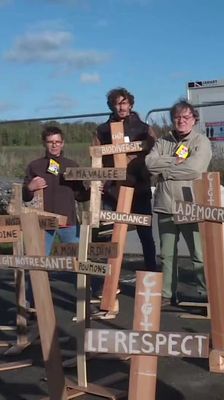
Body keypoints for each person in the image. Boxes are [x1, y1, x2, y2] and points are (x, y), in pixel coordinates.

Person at [145, 100, 212, 305]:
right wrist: (175, 161)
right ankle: (167, 294)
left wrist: (164, 169)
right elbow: (149, 163)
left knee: (199, 255)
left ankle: (206, 295)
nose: (181, 121)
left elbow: (195, 169)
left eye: (186, 117)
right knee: (167, 255)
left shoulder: (201, 141)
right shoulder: (163, 141)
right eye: (177, 117)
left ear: (194, 120)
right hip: (165, 205)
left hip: (190, 205)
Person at [23, 126, 90, 305]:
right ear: (45, 143)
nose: (54, 145)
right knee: (37, 263)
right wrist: (29, 188)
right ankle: (33, 303)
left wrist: (93, 191)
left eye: (57, 142)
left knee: (79, 261)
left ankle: (84, 302)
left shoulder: (71, 166)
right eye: (50, 142)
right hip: (43, 223)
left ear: (63, 143)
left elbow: (80, 195)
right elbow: (24, 195)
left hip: (68, 222)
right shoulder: (35, 166)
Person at [94, 87, 158, 272]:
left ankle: (151, 274)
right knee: (110, 235)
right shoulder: (102, 131)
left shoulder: (144, 129)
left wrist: (147, 174)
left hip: (139, 188)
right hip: (113, 190)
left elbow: (156, 155)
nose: (121, 107)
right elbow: (96, 158)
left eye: (124, 103)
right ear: (111, 106)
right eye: (116, 103)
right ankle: (109, 278)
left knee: (145, 233)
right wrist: (99, 182)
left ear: (130, 104)